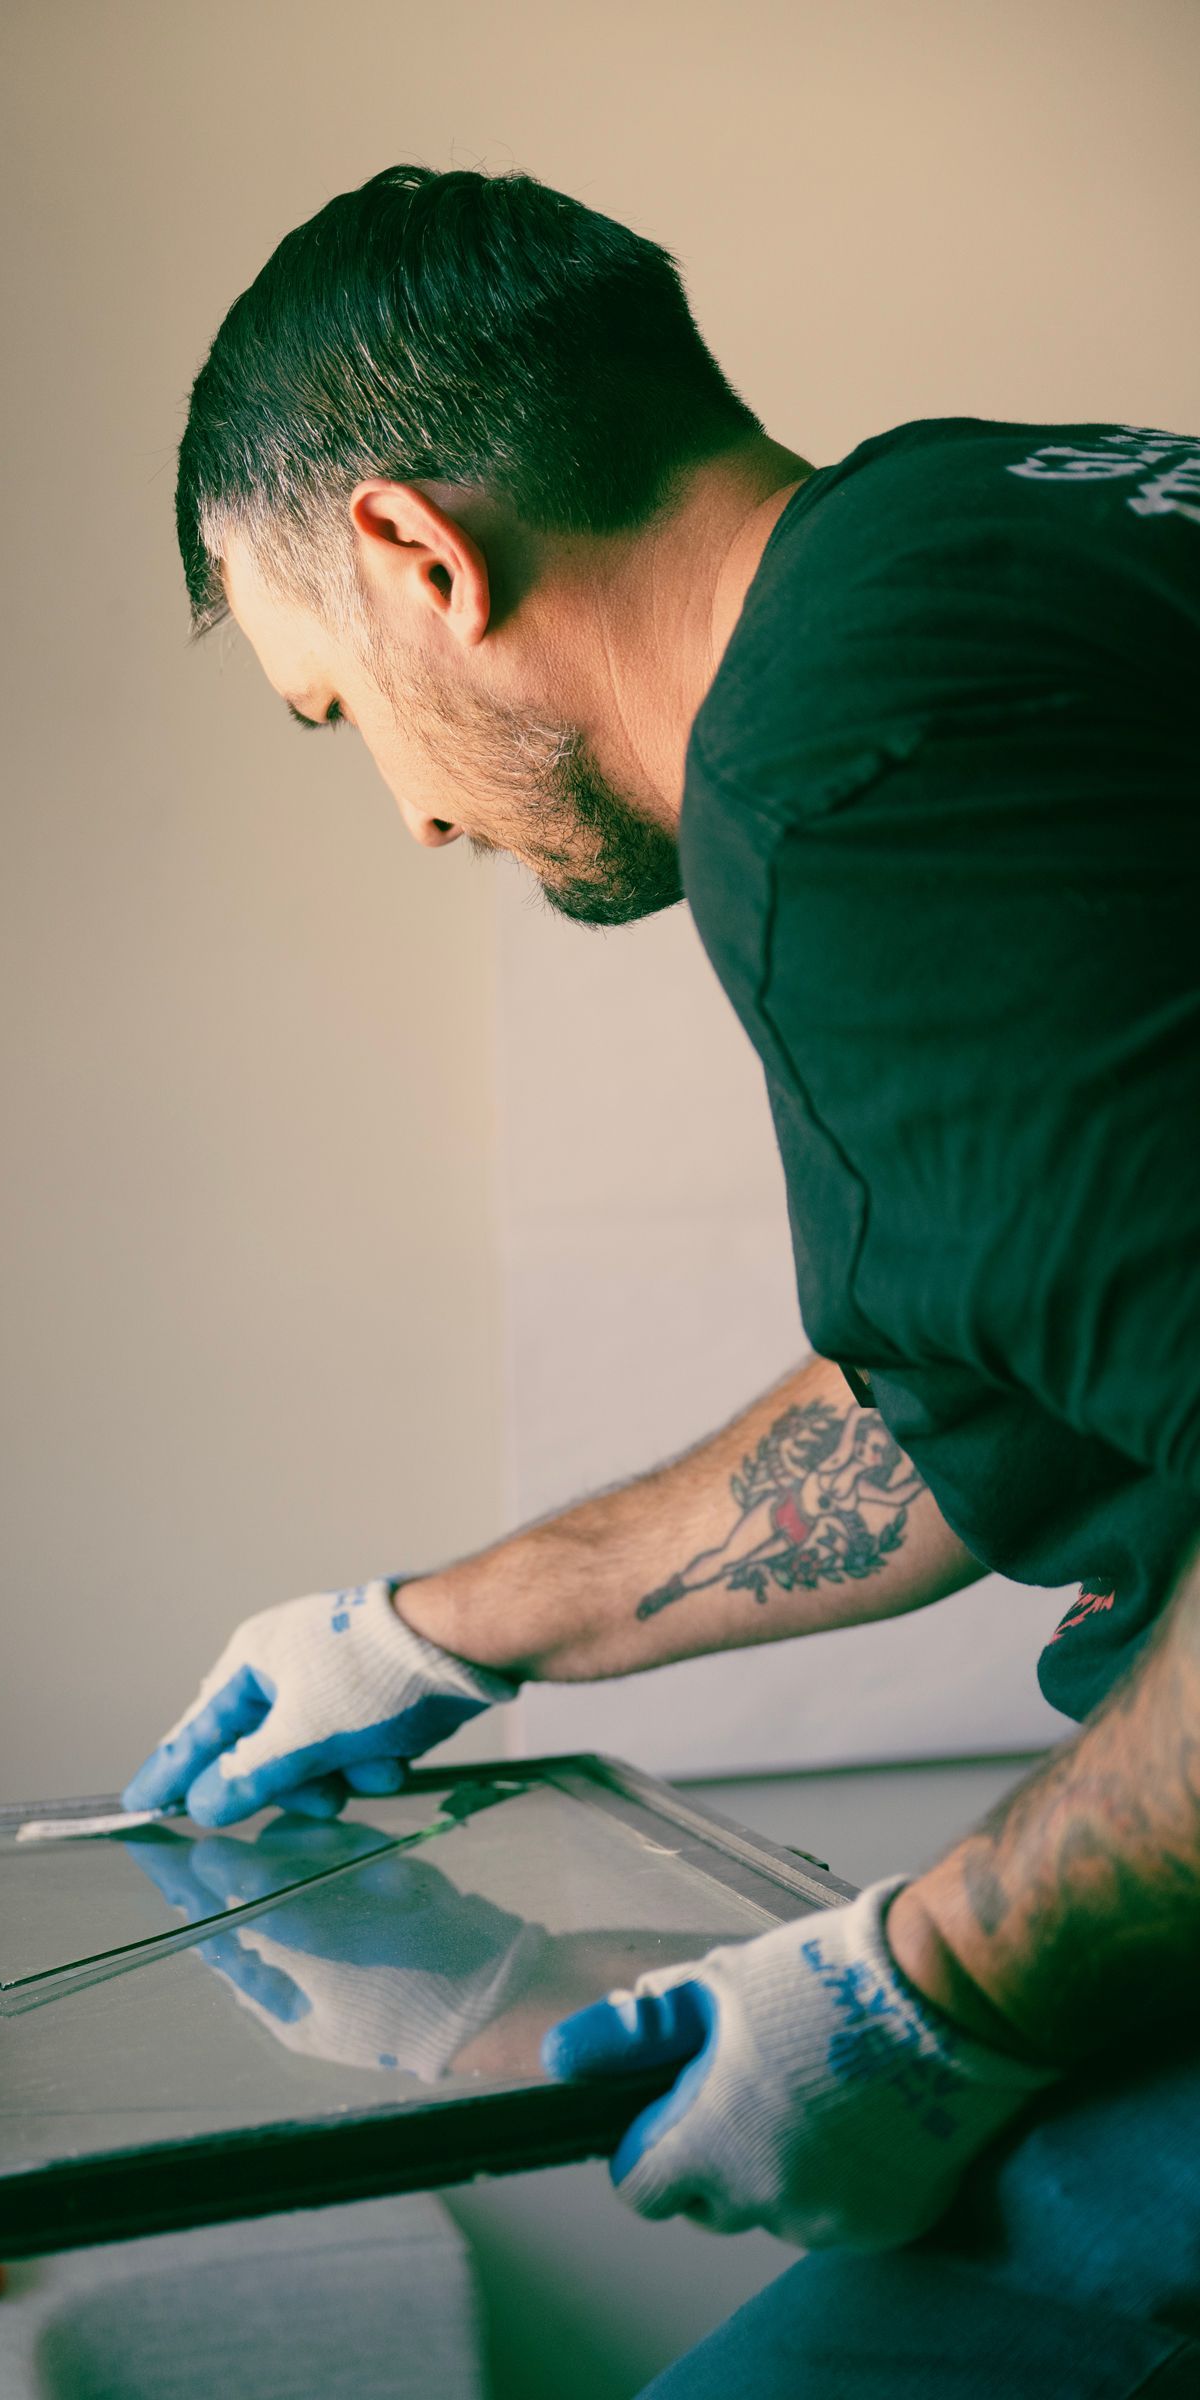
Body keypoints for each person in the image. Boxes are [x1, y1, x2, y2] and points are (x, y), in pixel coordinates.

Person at [127, 164, 1200, 2394]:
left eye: (342, 716)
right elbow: (981, 1380)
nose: (414, 819)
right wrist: (440, 1627)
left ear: (420, 556)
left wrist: (934, 1990)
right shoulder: (1010, 530)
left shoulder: (842, 773)